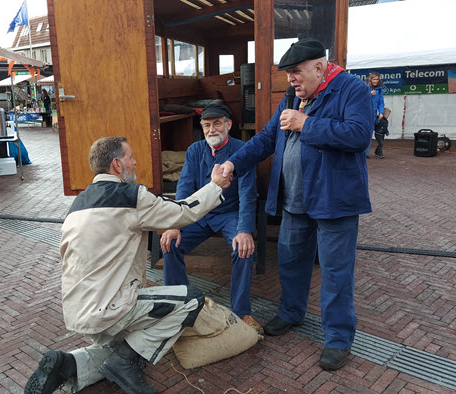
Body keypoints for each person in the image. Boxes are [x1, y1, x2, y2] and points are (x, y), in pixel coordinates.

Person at [25, 137, 232, 394]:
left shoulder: (77, 204)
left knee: (118, 347)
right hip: (111, 308)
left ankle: (68, 364)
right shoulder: (130, 196)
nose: (134, 161)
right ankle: (126, 364)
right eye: (130, 156)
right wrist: (215, 186)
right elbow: (183, 211)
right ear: (117, 164)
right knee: (190, 299)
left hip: (77, 311)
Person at [220, 38, 374, 371]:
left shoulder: (351, 90)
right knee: (290, 260)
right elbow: (265, 139)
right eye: (288, 74)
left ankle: (337, 338)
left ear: (319, 67)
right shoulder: (293, 97)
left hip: (335, 202)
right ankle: (291, 312)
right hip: (294, 202)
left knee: (335, 272)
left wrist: (307, 124)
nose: (291, 80)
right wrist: (234, 164)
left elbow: (360, 135)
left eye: (296, 72)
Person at [160, 102, 261, 333]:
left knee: (243, 249)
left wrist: (245, 230)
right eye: (206, 125)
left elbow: (248, 195)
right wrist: (175, 224)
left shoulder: (242, 149)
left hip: (229, 214)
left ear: (229, 125)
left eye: (217, 123)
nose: (211, 129)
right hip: (199, 214)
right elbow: (184, 188)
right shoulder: (195, 150)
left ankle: (242, 312)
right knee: (169, 242)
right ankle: (179, 304)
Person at [366, 72, 384, 159]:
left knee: (370, 134)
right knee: (364, 133)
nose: (376, 81)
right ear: (370, 79)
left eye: (377, 79)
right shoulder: (365, 87)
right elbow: (358, 98)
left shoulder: (379, 89)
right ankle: (362, 152)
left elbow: (381, 102)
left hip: (373, 114)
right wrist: (369, 94)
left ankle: (366, 153)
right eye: (374, 79)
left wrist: (381, 112)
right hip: (364, 114)